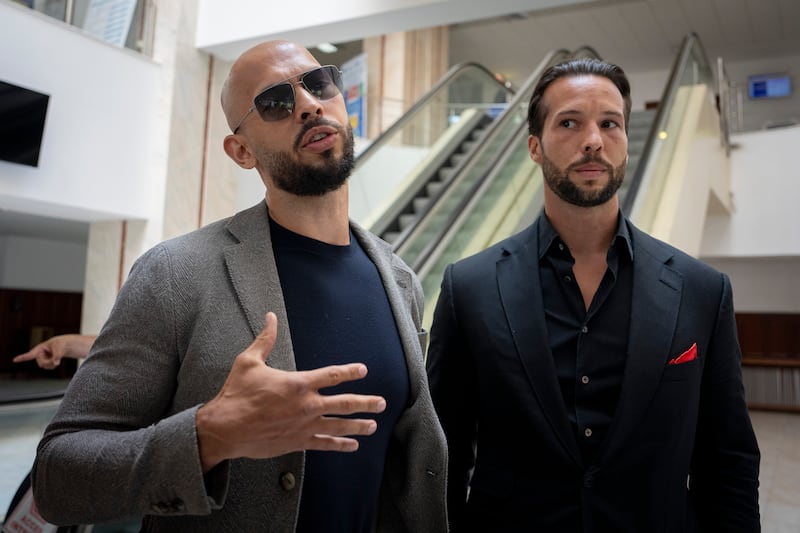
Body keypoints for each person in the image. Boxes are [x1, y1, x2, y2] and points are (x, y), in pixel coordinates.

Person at [31, 40, 448, 533]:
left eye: (318, 84)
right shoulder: (174, 274)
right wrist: (209, 436)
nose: (309, 105)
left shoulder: (400, 280)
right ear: (242, 151)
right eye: (275, 102)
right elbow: (57, 477)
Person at [425, 58, 760, 532]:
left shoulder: (701, 289)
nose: (593, 141)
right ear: (534, 147)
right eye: (569, 123)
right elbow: (444, 456)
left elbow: (728, 459)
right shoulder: (469, 288)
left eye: (609, 123)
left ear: (625, 142)